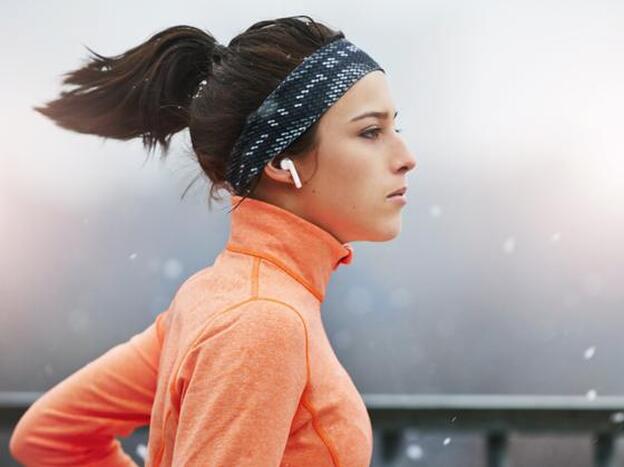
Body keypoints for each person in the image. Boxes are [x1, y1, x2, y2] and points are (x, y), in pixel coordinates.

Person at [9, 15, 417, 466]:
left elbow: (52, 434)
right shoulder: (263, 321)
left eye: (394, 127)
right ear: (281, 161)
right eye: (370, 132)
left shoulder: (215, 296)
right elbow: (50, 436)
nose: (405, 158)